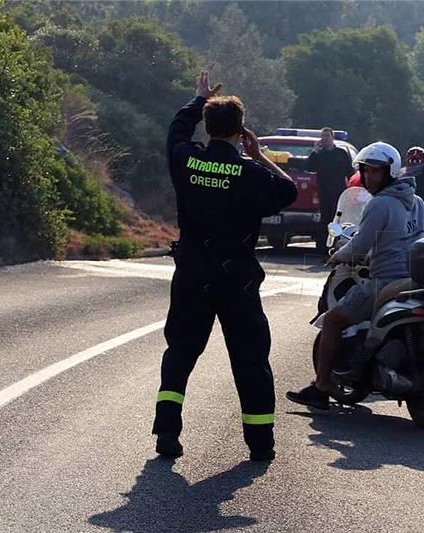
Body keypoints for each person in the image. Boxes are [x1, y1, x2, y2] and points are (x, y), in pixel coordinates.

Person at [152, 70, 297, 461]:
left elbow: (175, 132)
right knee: (250, 360)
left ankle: (167, 432)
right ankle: (261, 444)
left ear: (209, 127)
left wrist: (197, 100)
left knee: (180, 353)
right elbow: (289, 191)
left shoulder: (187, 161)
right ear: (241, 132)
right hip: (238, 280)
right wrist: (260, 156)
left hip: (192, 274)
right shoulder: (250, 174)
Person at [286, 142, 424, 418]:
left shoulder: (380, 203)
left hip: (382, 281)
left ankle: (321, 387)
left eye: (374, 172)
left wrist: (338, 256)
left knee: (332, 321)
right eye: (368, 172)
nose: (370, 177)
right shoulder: (415, 201)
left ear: (389, 172)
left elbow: (360, 246)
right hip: (416, 279)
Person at [307, 127, 354, 251]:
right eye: (323, 136)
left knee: (337, 220)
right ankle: (322, 248)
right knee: (325, 220)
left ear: (332, 138)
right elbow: (309, 167)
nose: (325, 138)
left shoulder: (341, 153)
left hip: (339, 193)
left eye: (327, 136)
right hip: (324, 192)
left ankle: (336, 246)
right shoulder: (319, 154)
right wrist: (314, 151)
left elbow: (350, 173)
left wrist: (352, 190)